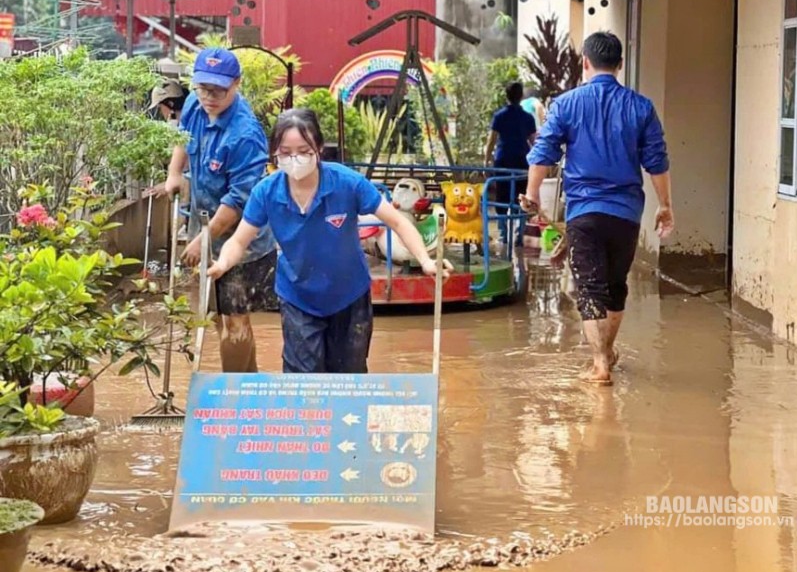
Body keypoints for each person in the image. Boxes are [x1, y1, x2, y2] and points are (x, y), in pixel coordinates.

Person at [208, 108, 453, 374]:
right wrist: (222, 263)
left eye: (303, 151)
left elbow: (397, 221)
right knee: (303, 381)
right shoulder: (266, 192)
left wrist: (426, 260)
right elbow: (239, 241)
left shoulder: (347, 182)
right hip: (298, 297)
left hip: (349, 296)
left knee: (349, 377)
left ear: (319, 148)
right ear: (274, 154)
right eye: (286, 152)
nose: (295, 159)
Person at [521, 31, 674, 387]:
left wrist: (533, 195)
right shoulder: (641, 107)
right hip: (626, 212)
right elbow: (656, 162)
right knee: (615, 285)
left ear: (585, 63)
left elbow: (543, 152)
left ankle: (600, 363)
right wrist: (665, 205)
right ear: (620, 65)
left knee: (589, 288)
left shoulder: (566, 104)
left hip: (584, 212)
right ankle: (607, 352)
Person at [163, 47, 277, 374]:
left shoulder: (245, 135)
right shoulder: (195, 105)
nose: (209, 97)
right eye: (203, 89)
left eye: (218, 90)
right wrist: (174, 173)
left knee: (236, 319)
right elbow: (183, 138)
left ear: (237, 84)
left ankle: (243, 395)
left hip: (242, 242)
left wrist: (204, 239)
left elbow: (239, 201)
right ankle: (233, 380)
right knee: (213, 313)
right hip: (204, 225)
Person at [484, 82, 537, 246]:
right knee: (520, 197)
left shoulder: (500, 116)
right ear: (521, 96)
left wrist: (486, 160)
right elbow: (534, 142)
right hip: (522, 160)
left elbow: (491, 140)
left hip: (503, 160)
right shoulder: (528, 118)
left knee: (502, 196)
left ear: (506, 96)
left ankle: (503, 234)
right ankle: (519, 234)